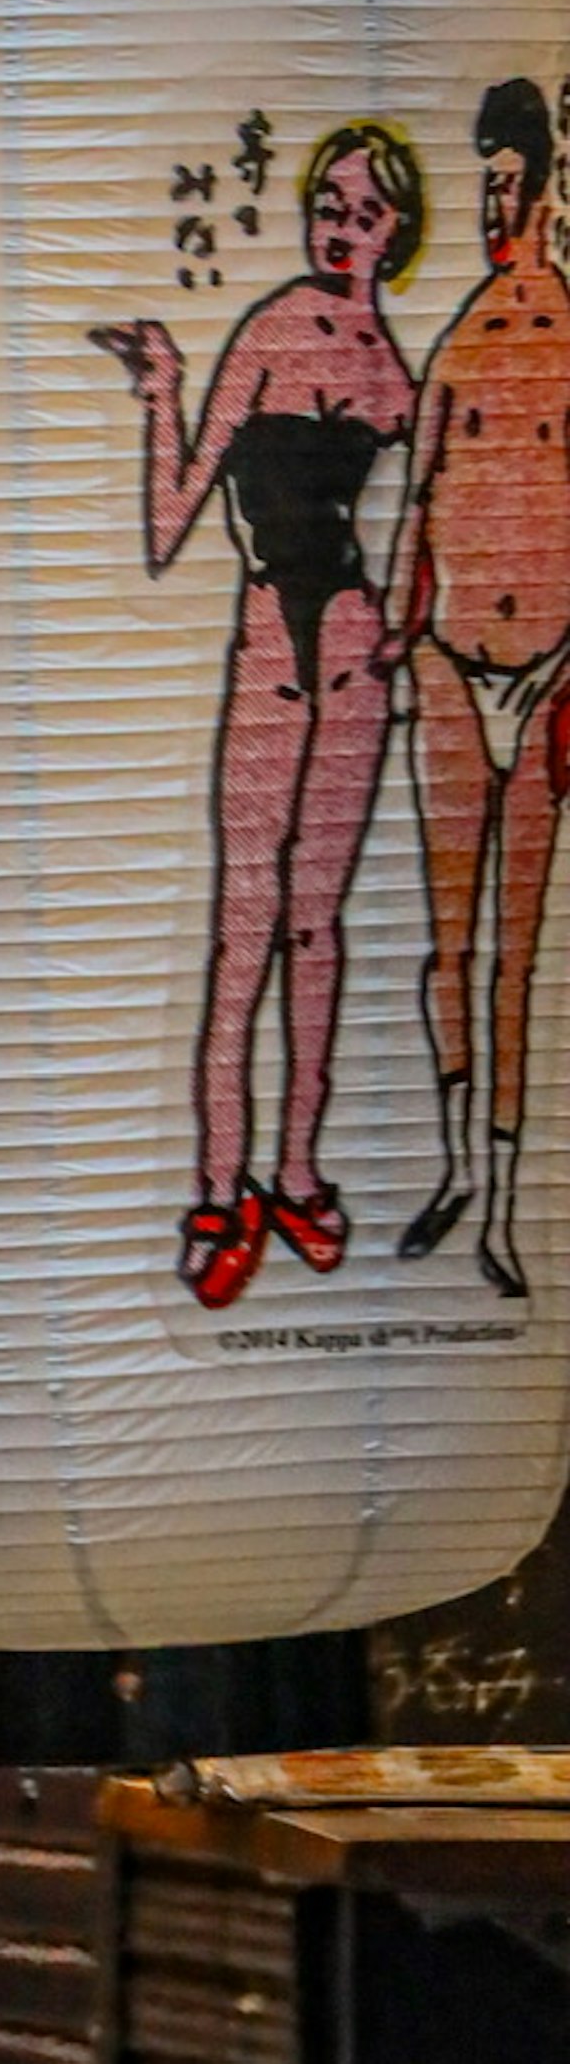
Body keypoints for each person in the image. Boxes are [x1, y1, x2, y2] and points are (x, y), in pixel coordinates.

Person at [91, 114, 425, 1308]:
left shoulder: (397, 372)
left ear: (396, 230)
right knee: (245, 924)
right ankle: (221, 1188)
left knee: (316, 928)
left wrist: (405, 627)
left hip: (353, 647)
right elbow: (175, 513)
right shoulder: (275, 328)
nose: (343, 230)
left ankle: (297, 1171)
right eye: (329, 208)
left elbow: (422, 523)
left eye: (365, 214)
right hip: (263, 636)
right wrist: (162, 392)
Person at [394, 76, 570, 1293]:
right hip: (451, 660)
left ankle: (503, 1197)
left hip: (551, 664)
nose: (498, 205)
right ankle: (454, 1166)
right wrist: (405, 633)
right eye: (487, 185)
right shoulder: (460, 332)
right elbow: (413, 497)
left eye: (514, 182)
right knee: (448, 944)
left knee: (518, 949)